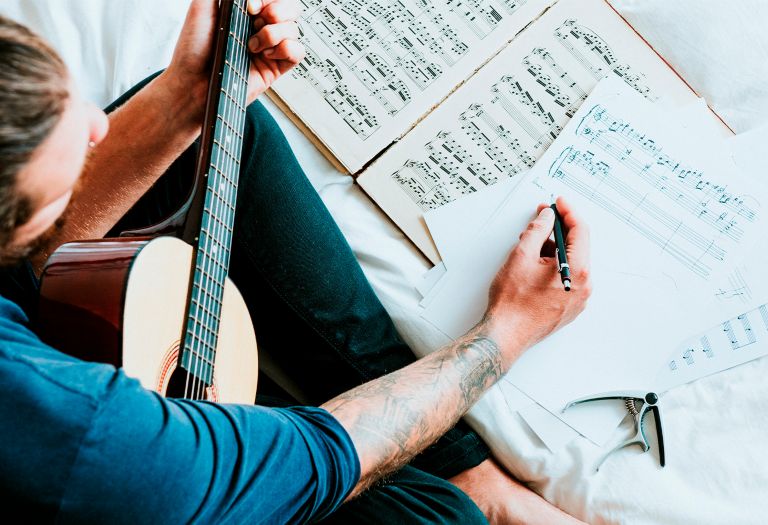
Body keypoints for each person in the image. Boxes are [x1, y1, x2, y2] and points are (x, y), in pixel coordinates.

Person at [0, 1, 592, 523]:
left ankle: (464, 467)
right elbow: (327, 453)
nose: (97, 123)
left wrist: (187, 91)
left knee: (208, 129)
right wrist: (506, 333)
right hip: (129, 466)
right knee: (438, 517)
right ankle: (478, 488)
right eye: (57, 187)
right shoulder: (77, 434)